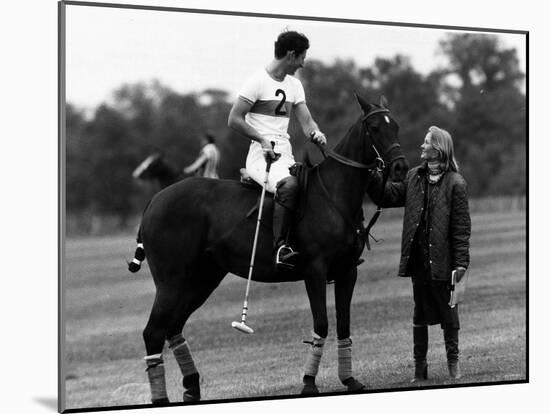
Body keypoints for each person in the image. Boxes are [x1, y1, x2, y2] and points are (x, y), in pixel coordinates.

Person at [367, 125, 471, 382]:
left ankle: (453, 368)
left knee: (449, 313)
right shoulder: (414, 176)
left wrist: (460, 265)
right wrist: (372, 175)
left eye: (426, 143)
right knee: (419, 314)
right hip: (418, 261)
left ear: (438, 149)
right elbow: (388, 195)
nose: (422, 146)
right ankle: (419, 371)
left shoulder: (456, 183)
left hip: (444, 262)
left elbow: (461, 229)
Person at [227, 30, 327, 270]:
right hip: (261, 155)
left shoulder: (295, 85)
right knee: (290, 186)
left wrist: (316, 132)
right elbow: (234, 119)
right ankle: (280, 248)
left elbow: (306, 121)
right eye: (302, 57)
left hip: (285, 154)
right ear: (291, 55)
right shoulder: (256, 82)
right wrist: (261, 139)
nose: (304, 62)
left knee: (315, 185)